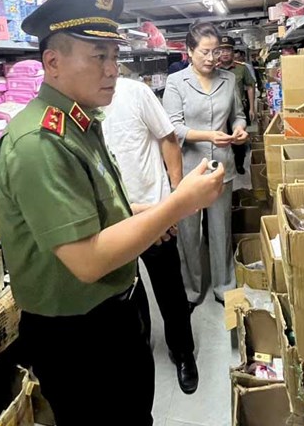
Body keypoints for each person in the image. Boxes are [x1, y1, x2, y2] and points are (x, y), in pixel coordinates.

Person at [0, 0, 225, 425]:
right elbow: (87, 259)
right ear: (52, 62)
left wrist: (158, 210)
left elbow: (100, 214)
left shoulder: (80, 122)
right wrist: (177, 204)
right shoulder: (40, 142)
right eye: (98, 56)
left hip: (113, 311)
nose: (112, 68)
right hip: (77, 333)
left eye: (115, 56)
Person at [101, 76, 199, 394]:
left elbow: (168, 138)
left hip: (154, 211)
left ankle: (183, 352)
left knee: (169, 287)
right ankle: (141, 342)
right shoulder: (79, 110)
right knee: (130, 289)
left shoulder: (135, 92)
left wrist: (174, 194)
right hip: (115, 218)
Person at [162, 23, 248, 306]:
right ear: (189, 51)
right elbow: (172, 127)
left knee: (221, 228)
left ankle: (224, 285)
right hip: (189, 171)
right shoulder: (176, 82)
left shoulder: (228, 79)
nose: (212, 58)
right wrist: (208, 134)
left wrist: (239, 129)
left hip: (222, 167)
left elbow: (238, 115)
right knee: (188, 232)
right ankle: (191, 289)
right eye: (205, 52)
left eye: (217, 52)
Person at [218, 36, 256, 174]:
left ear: (233, 52)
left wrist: (252, 108)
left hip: (238, 110)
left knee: (239, 139)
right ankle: (224, 166)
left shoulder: (241, 68)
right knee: (222, 138)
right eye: (221, 50)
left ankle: (239, 163)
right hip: (220, 111)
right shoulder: (214, 70)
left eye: (228, 50)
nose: (225, 53)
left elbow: (250, 87)